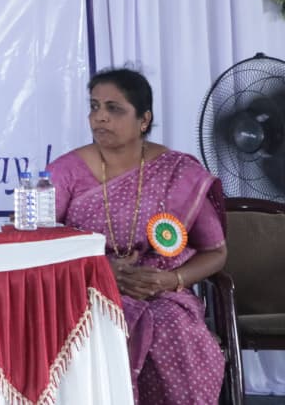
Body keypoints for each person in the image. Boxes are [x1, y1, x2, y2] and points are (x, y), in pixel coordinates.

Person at [47, 68, 226, 405]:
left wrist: (171, 280)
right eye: (94, 106)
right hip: (86, 291)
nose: (100, 117)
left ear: (144, 119)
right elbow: (37, 244)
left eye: (114, 108)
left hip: (162, 293)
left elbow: (215, 251)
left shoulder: (177, 171)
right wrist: (99, 271)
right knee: (95, 328)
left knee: (172, 327)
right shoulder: (66, 171)